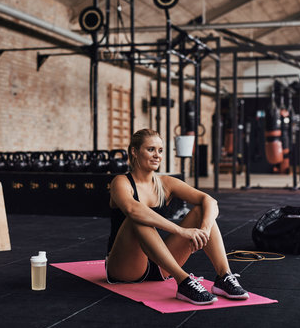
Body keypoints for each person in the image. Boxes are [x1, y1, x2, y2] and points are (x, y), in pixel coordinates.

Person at [106, 128, 249, 305]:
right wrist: (182, 231)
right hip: (125, 267)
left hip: (160, 265)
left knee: (201, 211)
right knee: (138, 217)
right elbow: (133, 209)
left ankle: (224, 276)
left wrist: (203, 230)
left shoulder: (165, 183)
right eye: (150, 149)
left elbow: (210, 201)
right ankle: (183, 281)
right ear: (134, 152)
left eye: (160, 150)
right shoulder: (120, 182)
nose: (157, 155)